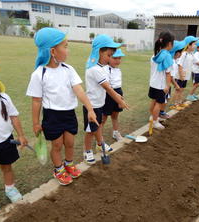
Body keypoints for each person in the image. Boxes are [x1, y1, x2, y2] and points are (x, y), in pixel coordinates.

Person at [26, 27, 98, 186]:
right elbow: (36, 101)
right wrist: (36, 123)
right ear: (53, 51)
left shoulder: (68, 69)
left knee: (70, 142)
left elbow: (79, 90)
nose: (68, 50)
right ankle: (58, 169)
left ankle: (69, 164)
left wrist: (90, 110)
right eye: (65, 46)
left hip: (69, 114)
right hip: (52, 116)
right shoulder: (39, 74)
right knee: (57, 145)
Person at [0, 61, 28, 216]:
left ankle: (10, 189)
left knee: (7, 167)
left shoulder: (3, 98)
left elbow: (14, 117)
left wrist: (21, 135)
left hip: (6, 141)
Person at [84, 34, 129, 165]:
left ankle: (100, 144)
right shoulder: (94, 69)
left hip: (99, 104)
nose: (110, 59)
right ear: (99, 52)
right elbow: (108, 88)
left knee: (97, 127)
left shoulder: (102, 67)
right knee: (90, 130)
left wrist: (119, 96)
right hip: (91, 106)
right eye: (109, 55)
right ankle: (87, 151)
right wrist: (120, 100)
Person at [148, 31, 174, 130]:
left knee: (153, 101)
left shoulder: (155, 54)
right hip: (160, 85)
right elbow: (168, 74)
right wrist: (167, 86)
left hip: (153, 83)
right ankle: (155, 121)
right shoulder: (167, 56)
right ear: (170, 43)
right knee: (159, 104)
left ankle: (152, 117)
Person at [102, 49, 125, 141]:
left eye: (119, 58)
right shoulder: (106, 69)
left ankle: (115, 132)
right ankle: (100, 137)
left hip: (118, 92)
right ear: (108, 57)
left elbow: (118, 84)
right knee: (104, 117)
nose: (118, 61)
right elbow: (107, 86)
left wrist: (120, 96)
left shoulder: (118, 70)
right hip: (109, 94)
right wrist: (115, 95)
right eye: (115, 58)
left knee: (115, 115)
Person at [178, 36, 199, 101]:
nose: (195, 46)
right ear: (188, 45)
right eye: (194, 44)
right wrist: (181, 75)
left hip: (186, 76)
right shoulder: (184, 54)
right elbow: (180, 65)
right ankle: (176, 103)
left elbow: (197, 62)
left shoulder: (191, 54)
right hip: (182, 76)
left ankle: (179, 102)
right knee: (179, 90)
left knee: (182, 89)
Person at [169, 40, 186, 111]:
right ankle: (174, 104)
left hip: (169, 82)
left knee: (166, 98)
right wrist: (176, 84)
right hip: (167, 82)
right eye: (180, 52)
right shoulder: (171, 61)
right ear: (176, 52)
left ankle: (176, 103)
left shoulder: (174, 60)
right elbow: (170, 76)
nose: (181, 54)